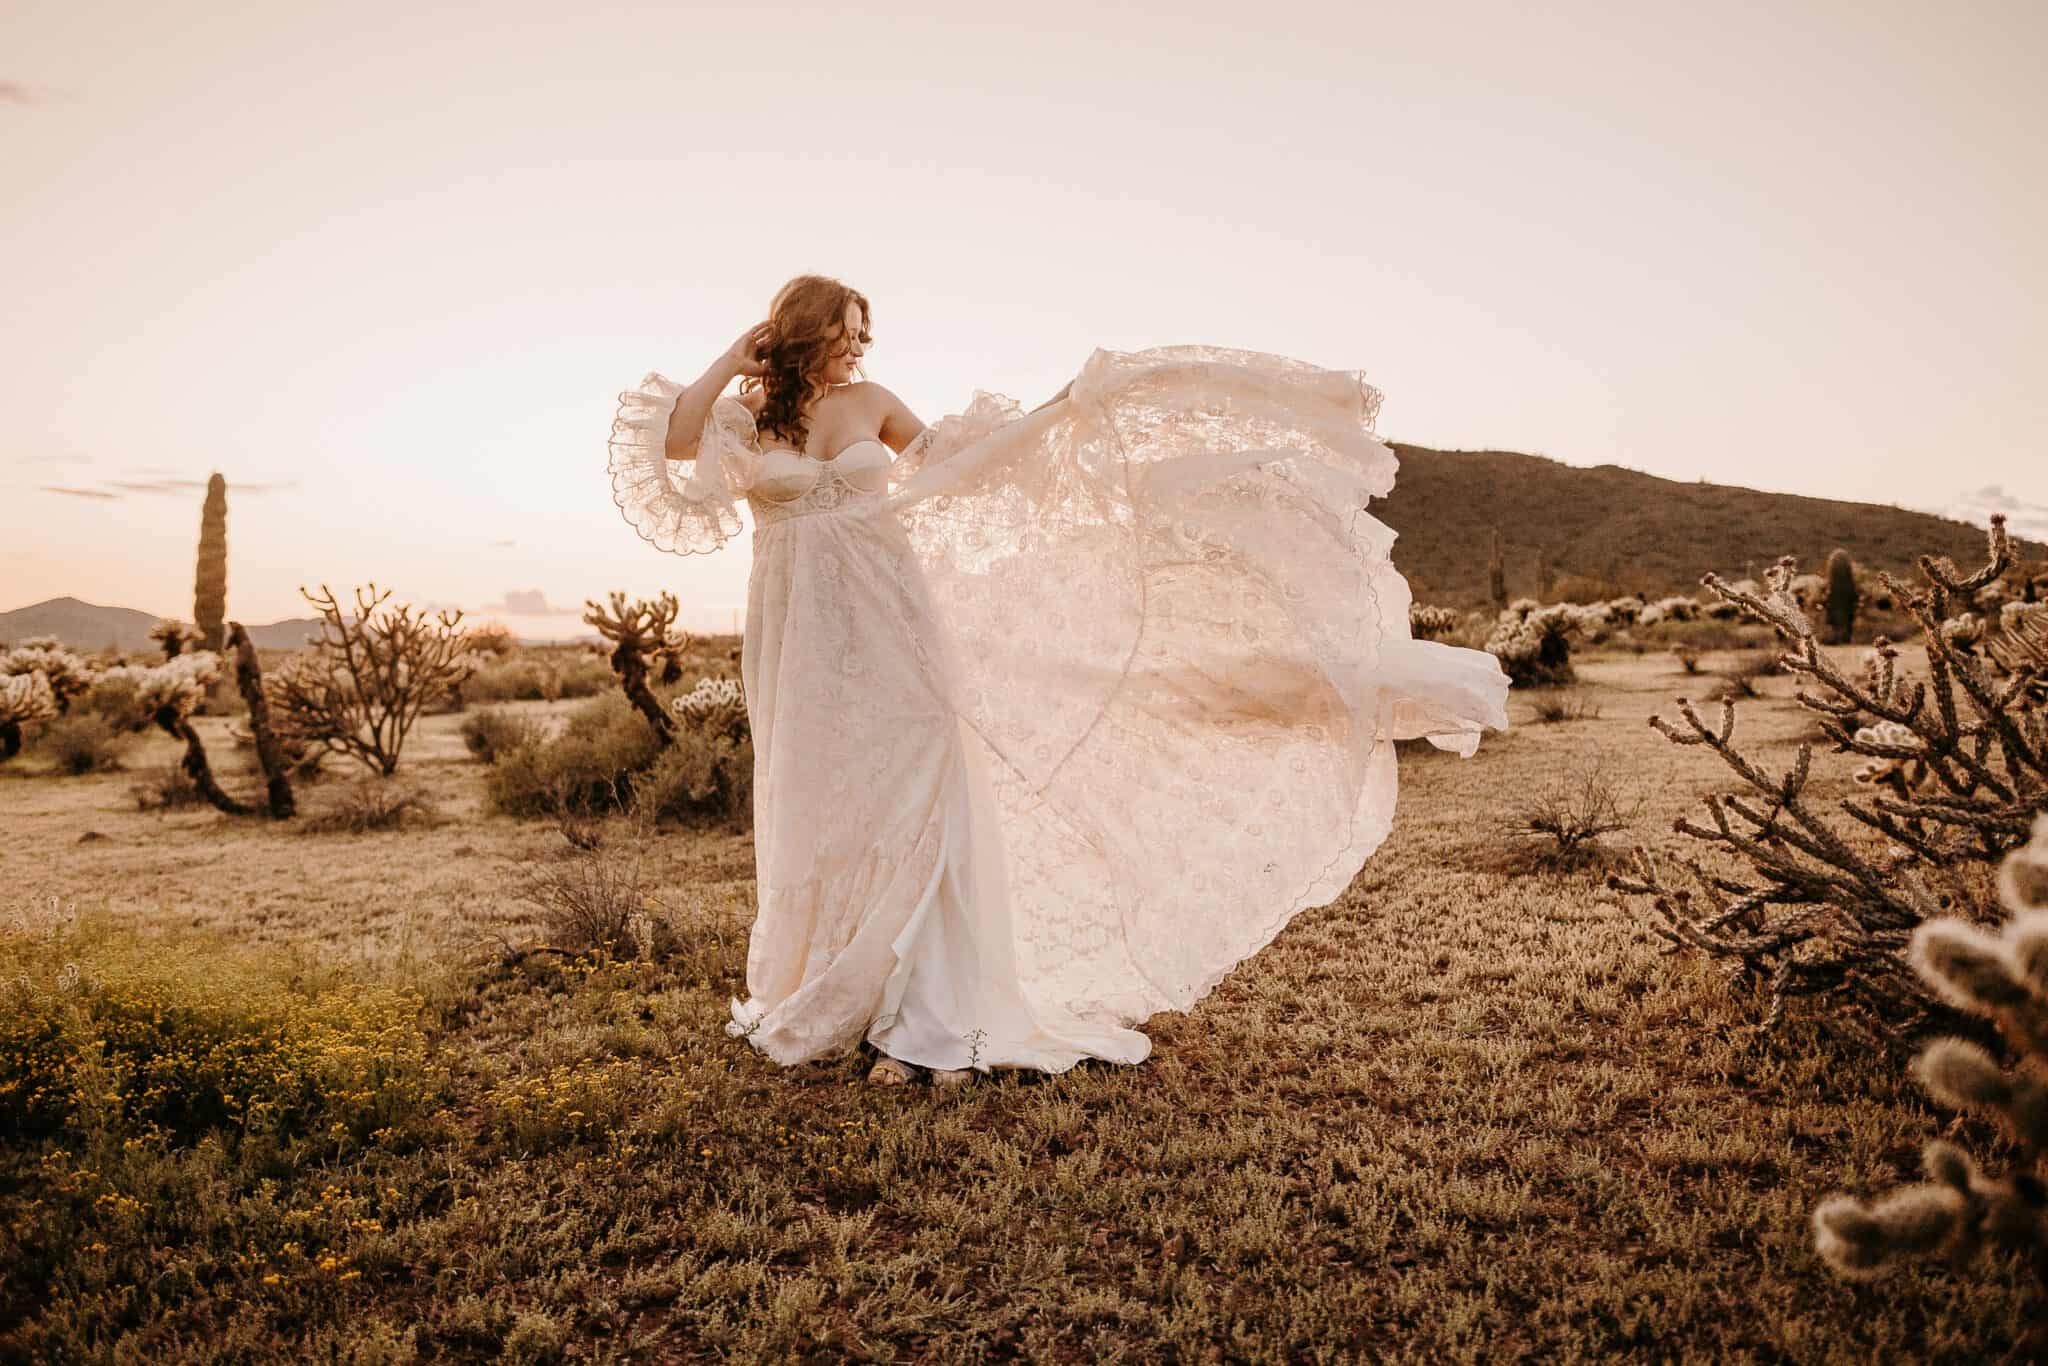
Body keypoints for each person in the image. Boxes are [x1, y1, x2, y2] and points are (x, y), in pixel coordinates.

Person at [608, 273, 1510, 1088]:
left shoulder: (874, 402)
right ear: (799, 330)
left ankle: (926, 1018)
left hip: (892, 619)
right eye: (842, 330)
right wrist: (736, 355)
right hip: (800, 637)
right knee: (821, 797)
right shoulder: (746, 419)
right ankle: (834, 986)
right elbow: (677, 442)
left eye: (863, 332)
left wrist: (1060, 425)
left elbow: (964, 472)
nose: (856, 346)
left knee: (921, 785)